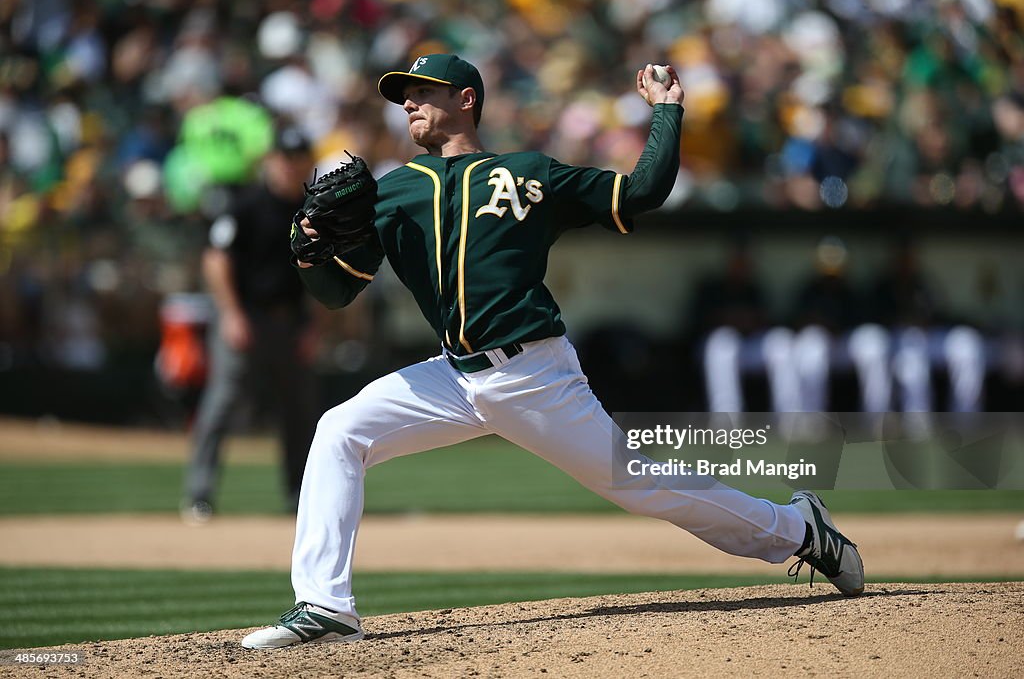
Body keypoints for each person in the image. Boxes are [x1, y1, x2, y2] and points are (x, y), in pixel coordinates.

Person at [241, 54, 864, 649]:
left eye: (422, 91)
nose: (408, 102)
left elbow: (642, 191)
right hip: (454, 378)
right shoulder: (394, 193)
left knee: (645, 488)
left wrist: (668, 112)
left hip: (534, 376)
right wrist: (307, 248)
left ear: (466, 100)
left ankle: (799, 528)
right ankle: (325, 606)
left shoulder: (529, 174)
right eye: (404, 95)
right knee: (340, 430)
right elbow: (336, 294)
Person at [181, 126, 321, 524]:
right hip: (246, 318)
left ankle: (298, 496)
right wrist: (230, 314)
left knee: (299, 413)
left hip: (291, 323)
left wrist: (316, 326)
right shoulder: (245, 205)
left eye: (297, 158)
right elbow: (215, 260)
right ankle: (199, 493)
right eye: (284, 157)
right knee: (222, 403)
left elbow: (323, 272)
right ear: (270, 160)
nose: (289, 166)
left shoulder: (313, 210)